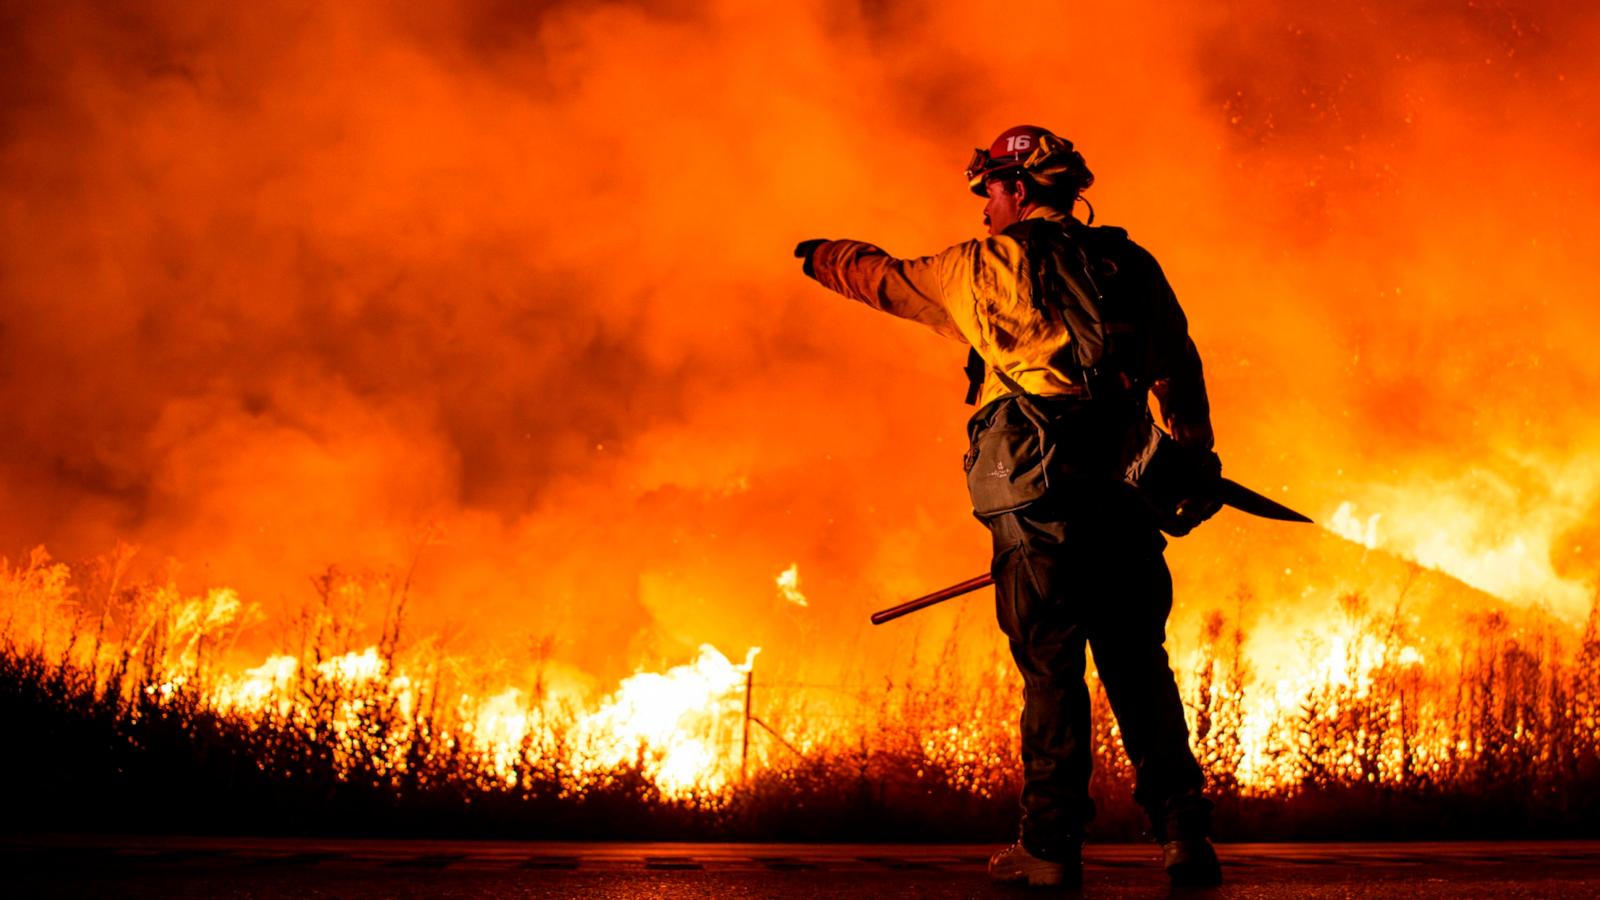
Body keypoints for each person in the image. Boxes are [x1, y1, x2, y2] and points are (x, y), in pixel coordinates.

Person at [795, 125, 1223, 888]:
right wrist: (1192, 464)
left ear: (1017, 189)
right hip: (1127, 492)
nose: (984, 207)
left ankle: (1050, 846)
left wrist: (826, 256)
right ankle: (1184, 835)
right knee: (1138, 663)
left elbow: (884, 278)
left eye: (988, 190)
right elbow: (1178, 371)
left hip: (1034, 496)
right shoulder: (1132, 265)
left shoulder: (976, 266)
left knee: (1051, 667)